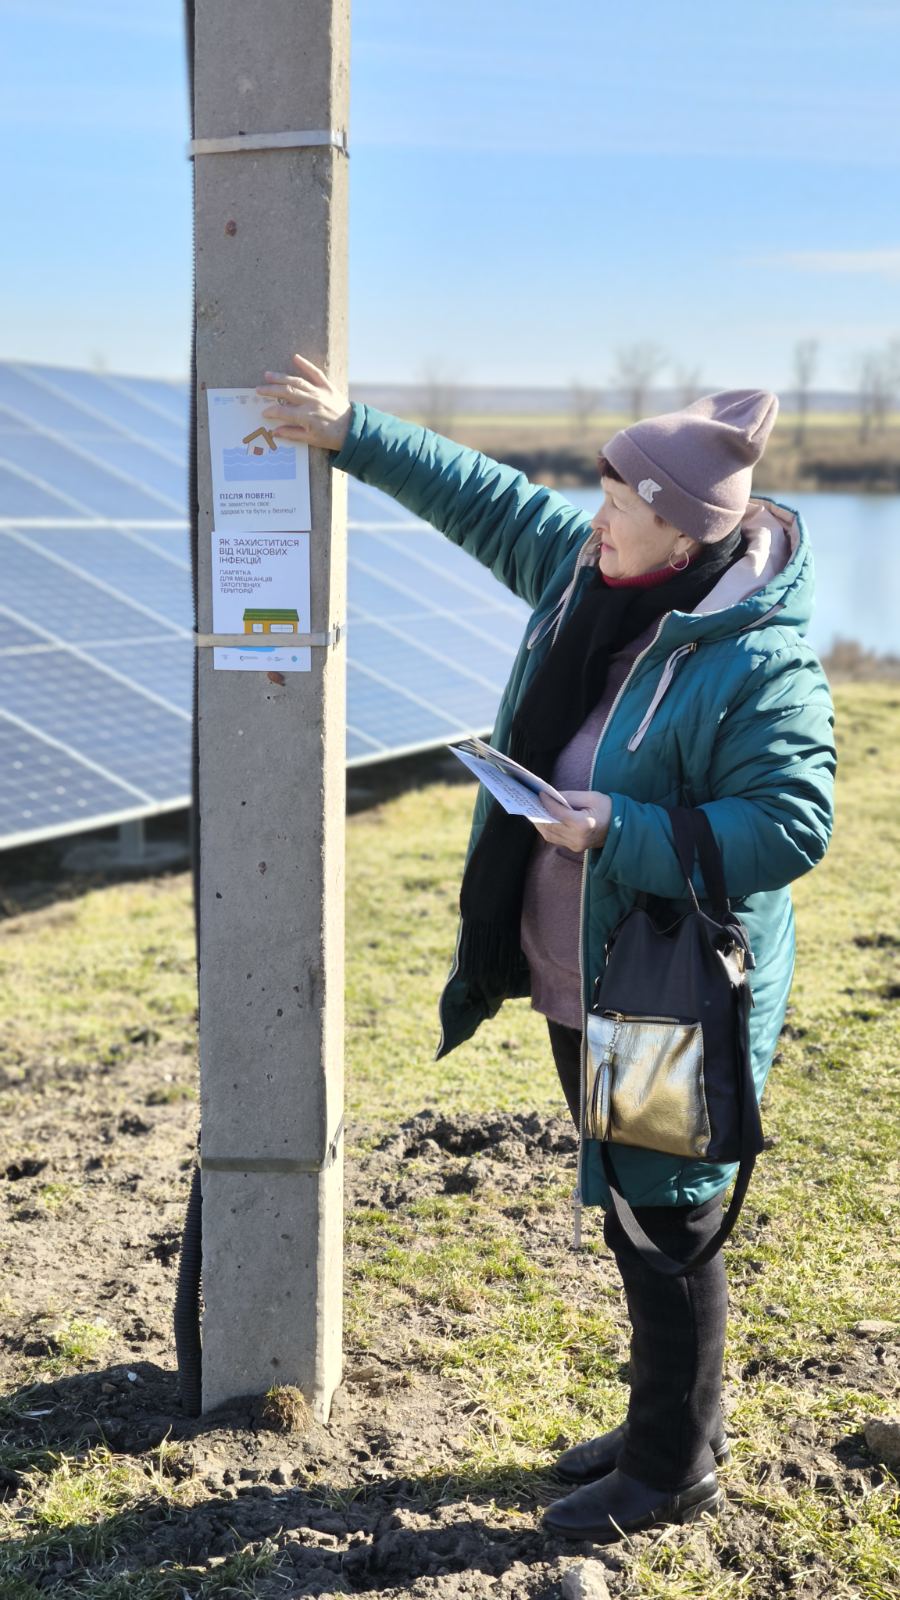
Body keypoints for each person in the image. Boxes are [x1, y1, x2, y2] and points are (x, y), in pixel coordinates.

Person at [257, 357, 836, 1542]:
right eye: (602, 495)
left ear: (683, 534)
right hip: (588, 980)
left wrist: (620, 827)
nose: (595, 519)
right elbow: (489, 499)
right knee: (635, 1204)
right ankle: (670, 1422)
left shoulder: (755, 659)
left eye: (620, 504)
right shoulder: (588, 578)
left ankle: (672, 1468)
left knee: (666, 1218)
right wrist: (352, 431)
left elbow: (793, 824)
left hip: (671, 993)